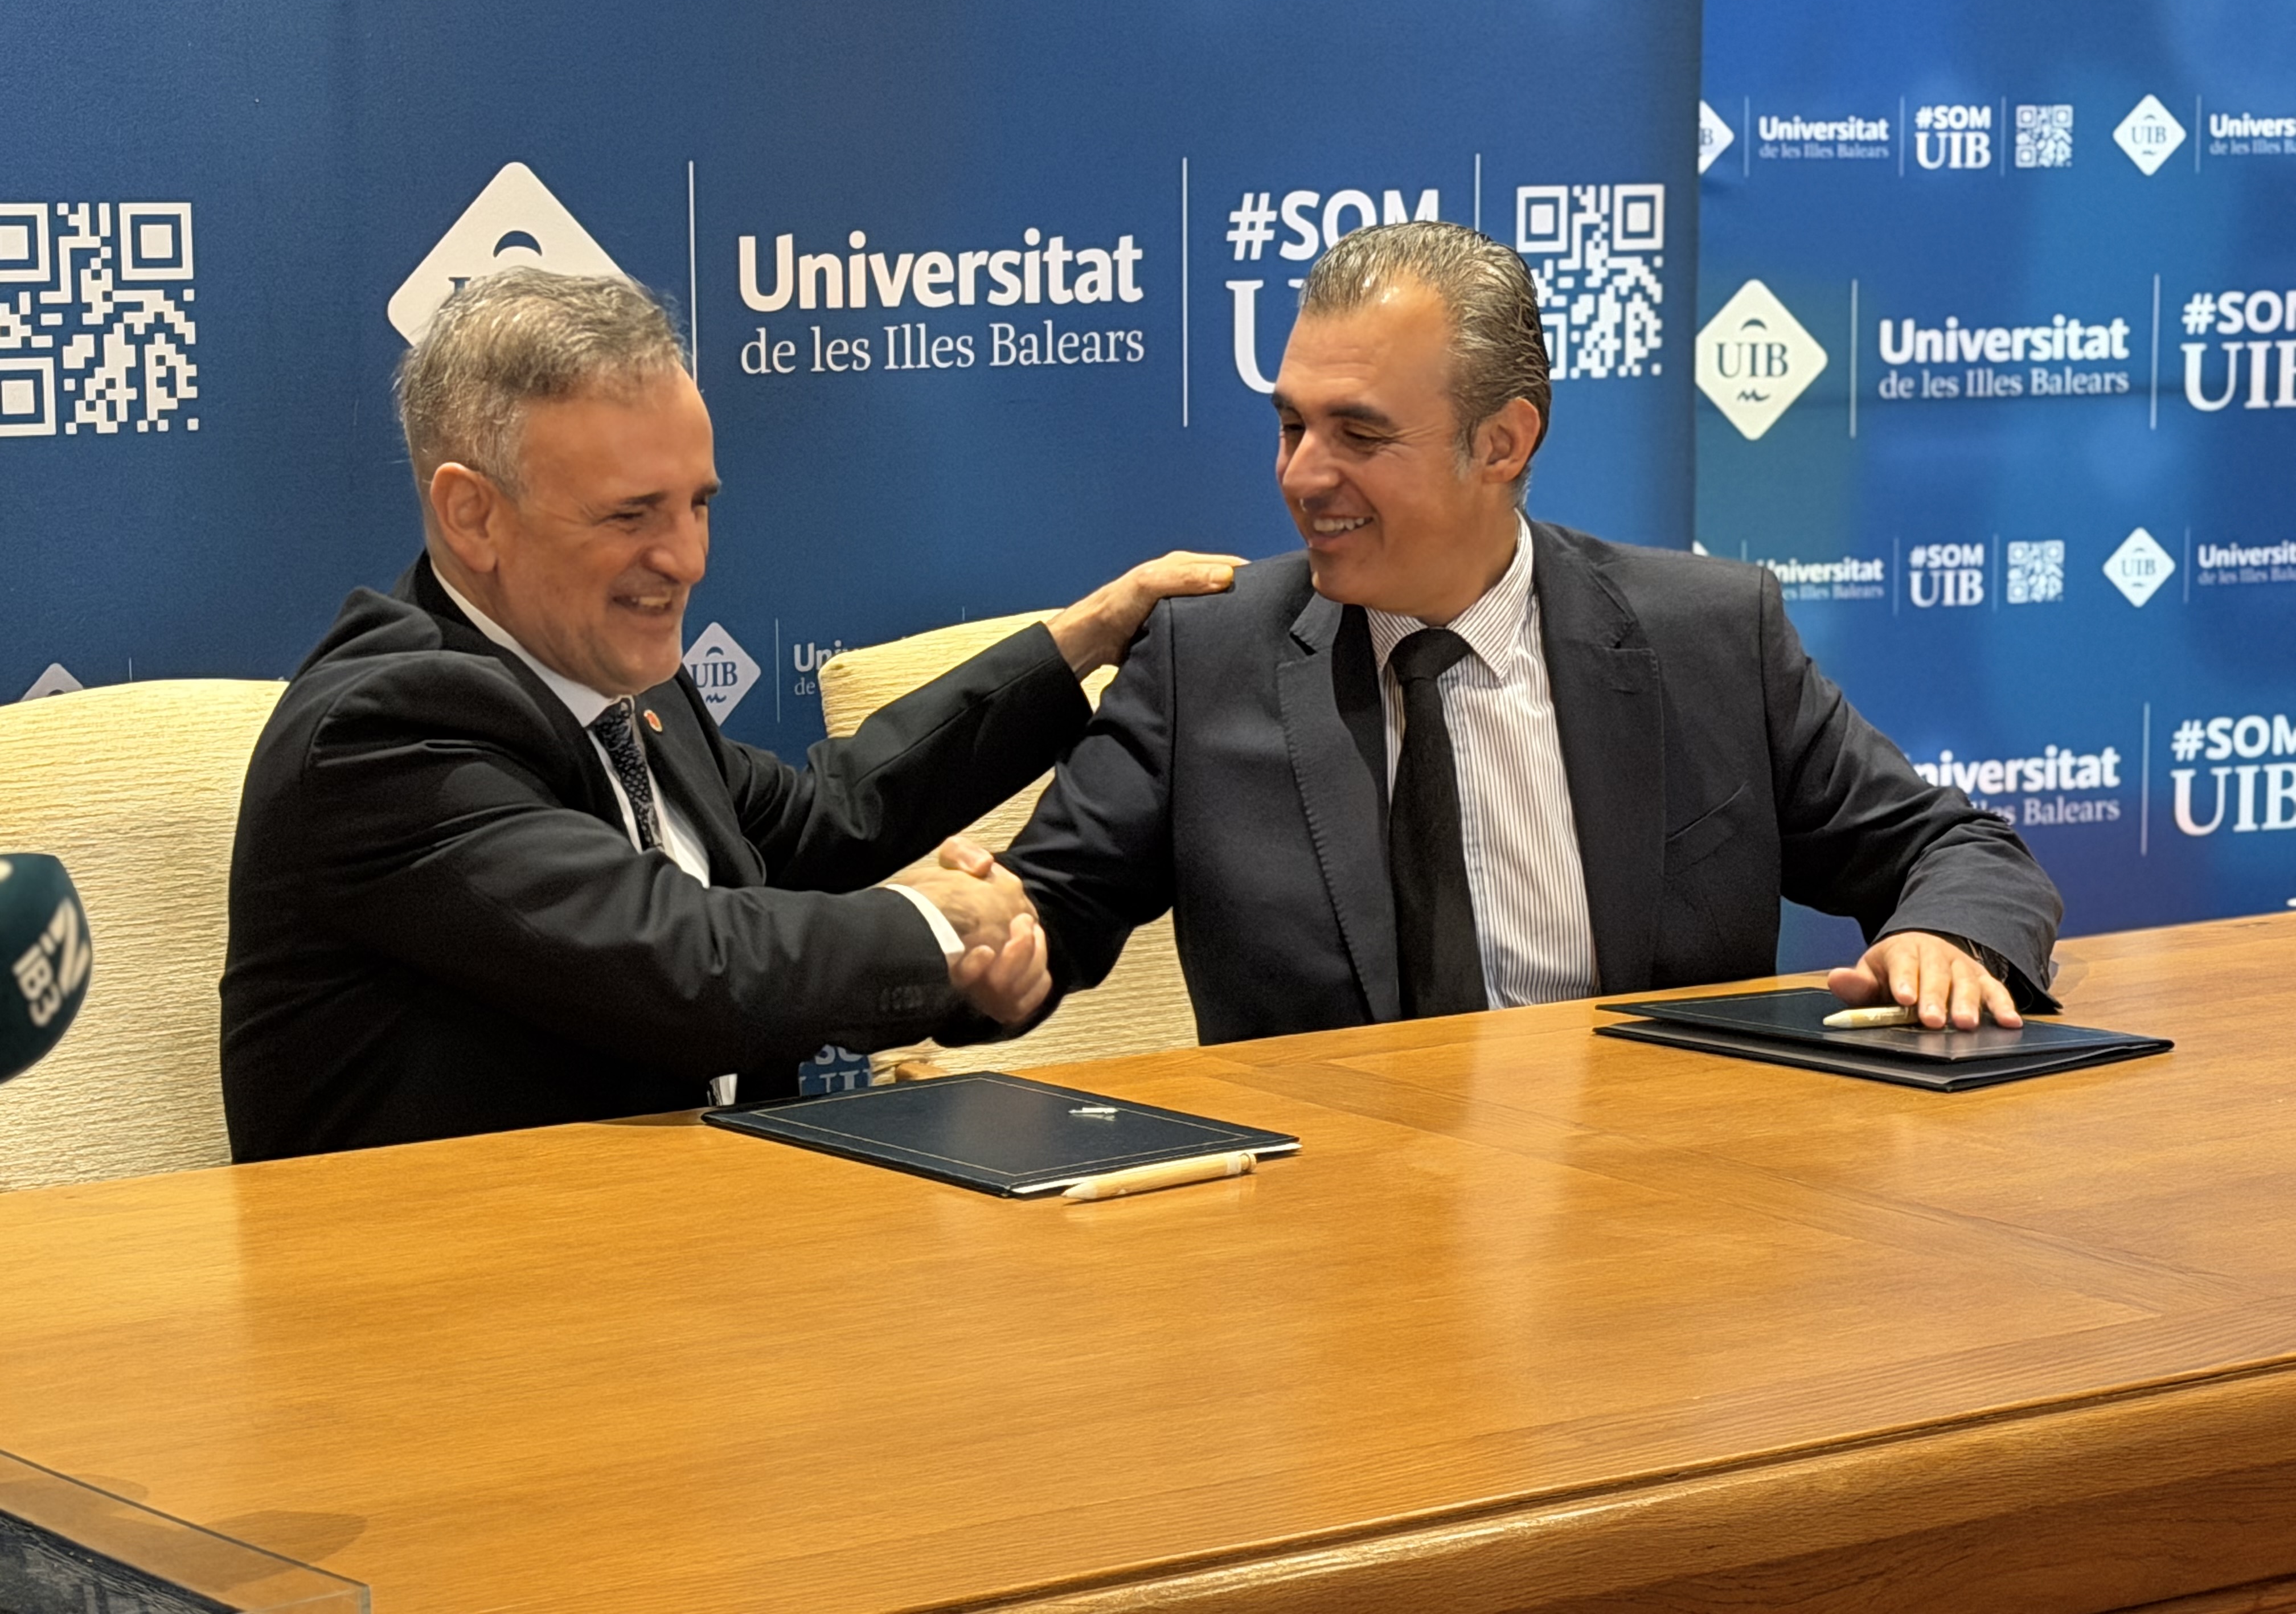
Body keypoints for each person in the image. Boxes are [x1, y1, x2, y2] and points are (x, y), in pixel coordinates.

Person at [220, 269, 1236, 1161]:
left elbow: (824, 822)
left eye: (696, 504)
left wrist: (1083, 642)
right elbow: (692, 968)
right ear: (473, 515)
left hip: (690, 1260)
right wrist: (943, 929)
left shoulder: (620, 678)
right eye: (632, 515)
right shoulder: (387, 730)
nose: (688, 560)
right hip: (447, 1318)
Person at [996, 220, 2062, 1046]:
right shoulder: (1208, 656)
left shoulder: (1706, 639)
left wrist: (1943, 937)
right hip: (1331, 1247)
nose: (1302, 476)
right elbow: (1045, 919)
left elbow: (1958, 848)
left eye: (1358, 434)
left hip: (1652, 1229)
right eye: (1290, 425)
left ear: (1502, 442)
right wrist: (985, 940)